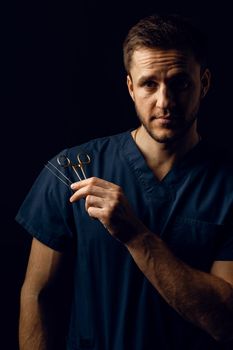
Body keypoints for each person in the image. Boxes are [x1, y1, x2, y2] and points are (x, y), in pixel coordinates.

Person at [16, 13, 233, 350]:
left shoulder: (227, 186)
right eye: (149, 84)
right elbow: (39, 294)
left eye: (180, 83)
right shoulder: (73, 170)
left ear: (203, 83)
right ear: (131, 87)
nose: (165, 102)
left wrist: (136, 235)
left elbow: (226, 322)